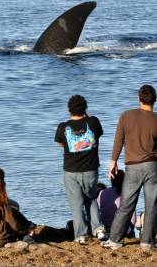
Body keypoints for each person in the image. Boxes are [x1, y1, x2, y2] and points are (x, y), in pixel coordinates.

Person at [102, 85, 157, 250]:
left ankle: (115, 241)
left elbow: (119, 140)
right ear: (154, 100)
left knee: (126, 204)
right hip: (153, 166)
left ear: (138, 98)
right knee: (152, 204)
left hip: (132, 166)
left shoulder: (126, 116)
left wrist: (113, 161)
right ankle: (147, 242)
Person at [55, 95, 106, 244]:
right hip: (90, 169)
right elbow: (97, 135)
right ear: (85, 109)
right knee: (91, 198)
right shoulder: (93, 121)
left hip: (71, 171)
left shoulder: (63, 127)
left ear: (69, 109)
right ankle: (98, 229)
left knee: (76, 203)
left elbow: (61, 144)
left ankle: (81, 235)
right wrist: (86, 116)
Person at [97, 169, 136, 236]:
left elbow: (98, 210)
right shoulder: (126, 194)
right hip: (122, 230)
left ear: (111, 180)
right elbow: (133, 218)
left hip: (105, 227)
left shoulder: (102, 192)